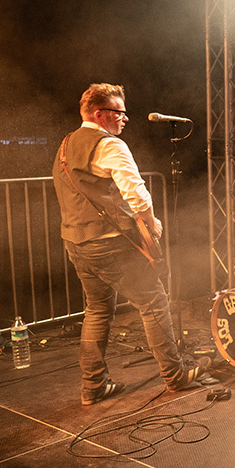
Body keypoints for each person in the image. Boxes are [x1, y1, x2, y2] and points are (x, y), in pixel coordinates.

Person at [52, 83, 210, 406]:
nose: (125, 118)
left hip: (76, 243)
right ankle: (175, 375)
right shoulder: (110, 145)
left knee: (97, 310)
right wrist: (151, 224)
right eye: (119, 112)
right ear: (100, 114)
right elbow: (136, 194)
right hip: (110, 244)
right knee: (154, 302)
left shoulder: (66, 145)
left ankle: (93, 386)